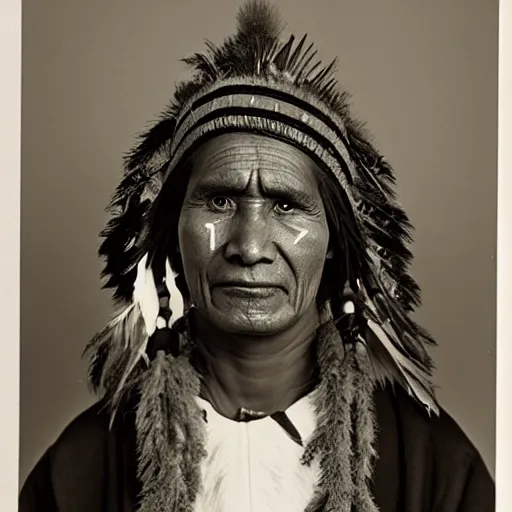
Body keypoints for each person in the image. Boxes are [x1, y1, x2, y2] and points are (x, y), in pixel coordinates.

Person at [19, 2, 494, 511]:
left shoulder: (437, 469)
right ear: (171, 233)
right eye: (219, 201)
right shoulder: (79, 472)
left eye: (287, 205)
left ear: (335, 240)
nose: (248, 247)